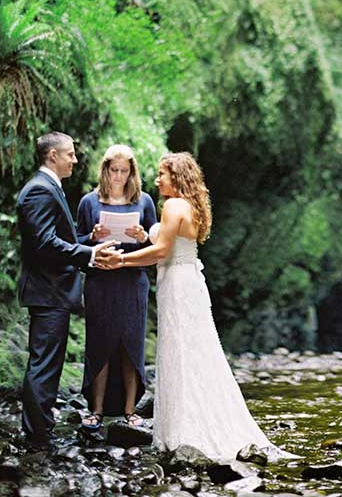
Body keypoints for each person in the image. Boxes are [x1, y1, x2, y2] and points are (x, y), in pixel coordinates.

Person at [98, 152, 299, 461]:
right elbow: (169, 242)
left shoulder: (173, 205)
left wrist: (120, 260)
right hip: (189, 280)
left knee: (179, 351)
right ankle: (200, 419)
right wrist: (144, 235)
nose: (157, 179)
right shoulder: (192, 206)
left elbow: (162, 250)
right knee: (196, 351)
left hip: (177, 285)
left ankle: (183, 431)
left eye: (162, 174)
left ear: (176, 178)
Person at [16, 131, 118, 450]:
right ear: (52, 156)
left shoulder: (47, 188)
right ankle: (37, 438)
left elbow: (60, 237)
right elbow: (45, 243)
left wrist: (89, 238)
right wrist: (89, 255)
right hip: (48, 292)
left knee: (48, 363)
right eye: (70, 154)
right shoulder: (39, 191)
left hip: (52, 291)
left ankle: (40, 430)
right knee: (44, 364)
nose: (74, 160)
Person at [76, 144, 157, 433]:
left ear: (132, 172)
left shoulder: (144, 201)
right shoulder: (89, 202)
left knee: (130, 345)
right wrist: (92, 235)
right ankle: (95, 410)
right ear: (105, 170)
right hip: (100, 282)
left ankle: (130, 410)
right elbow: (76, 244)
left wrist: (143, 234)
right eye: (114, 170)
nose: (119, 177)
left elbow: (156, 247)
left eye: (124, 171)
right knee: (100, 343)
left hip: (132, 282)